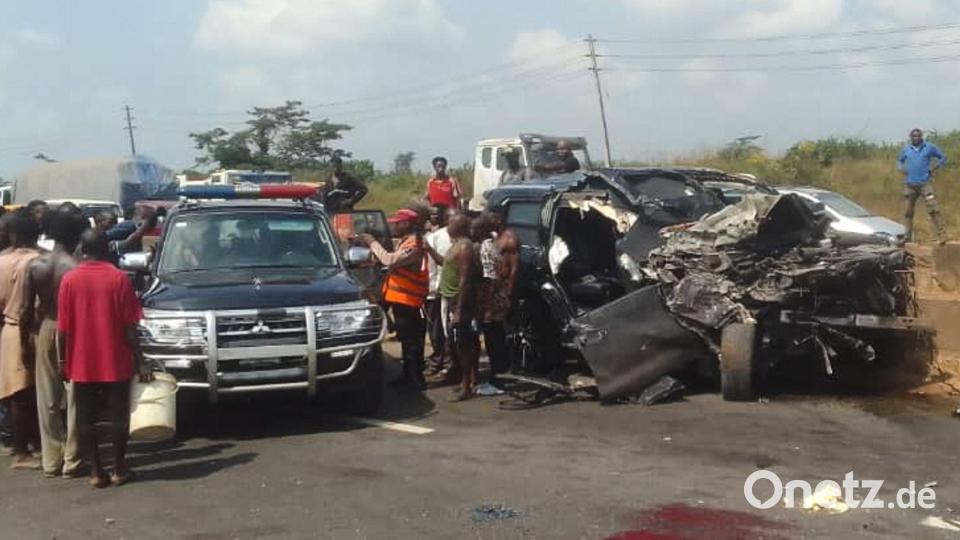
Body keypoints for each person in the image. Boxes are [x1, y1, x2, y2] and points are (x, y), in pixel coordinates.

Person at [58, 230, 148, 488]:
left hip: (81, 359)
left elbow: (63, 328)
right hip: (115, 357)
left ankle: (97, 472)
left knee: (85, 417)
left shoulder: (69, 280)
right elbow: (130, 327)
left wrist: (63, 362)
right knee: (118, 415)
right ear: (107, 248)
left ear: (81, 250)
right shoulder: (119, 279)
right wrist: (140, 357)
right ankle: (119, 469)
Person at [20, 212, 88, 478]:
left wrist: (26, 342)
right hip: (73, 330)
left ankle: (51, 460)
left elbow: (26, 309)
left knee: (46, 397)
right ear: (75, 238)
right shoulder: (77, 267)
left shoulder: (36, 266)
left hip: (45, 327)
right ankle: (73, 459)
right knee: (75, 396)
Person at [356, 208, 429, 390]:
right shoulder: (407, 241)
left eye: (398, 222)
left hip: (410, 301)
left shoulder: (414, 244)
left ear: (408, 224)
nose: (394, 226)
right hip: (402, 299)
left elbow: (390, 260)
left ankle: (415, 380)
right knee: (406, 341)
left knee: (412, 343)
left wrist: (373, 243)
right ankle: (408, 376)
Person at [0, 210, 43, 469]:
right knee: (30, 393)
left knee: (16, 392)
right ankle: (24, 451)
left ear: (12, 235)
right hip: (35, 329)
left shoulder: (2, 261)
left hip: (10, 328)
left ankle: (23, 446)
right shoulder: (41, 261)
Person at [475, 210, 520, 392]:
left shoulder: (509, 238)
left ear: (499, 219)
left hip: (498, 294)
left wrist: (508, 292)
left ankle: (500, 376)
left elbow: (514, 269)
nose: (488, 220)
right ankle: (500, 372)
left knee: (495, 337)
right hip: (496, 293)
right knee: (494, 336)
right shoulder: (494, 239)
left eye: (491, 217)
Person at [437, 213, 480, 401]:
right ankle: (466, 380)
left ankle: (466, 385)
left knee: (463, 343)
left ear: (459, 227)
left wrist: (460, 309)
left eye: (450, 223)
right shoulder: (456, 245)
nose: (447, 226)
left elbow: (465, 280)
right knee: (457, 342)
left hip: (460, 300)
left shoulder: (464, 247)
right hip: (451, 299)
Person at [897, 128, 948, 244]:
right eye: (914, 136)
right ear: (911, 137)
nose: (916, 138)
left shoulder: (929, 147)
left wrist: (934, 167)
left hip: (925, 184)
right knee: (908, 213)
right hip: (910, 185)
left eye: (918, 136)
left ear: (922, 137)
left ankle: (942, 235)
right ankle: (907, 237)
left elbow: (943, 157)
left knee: (933, 209)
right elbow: (899, 161)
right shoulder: (906, 149)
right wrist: (901, 168)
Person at [423, 205, 453, 375]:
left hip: (442, 290)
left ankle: (442, 361)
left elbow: (434, 265)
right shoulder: (436, 237)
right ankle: (441, 360)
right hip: (440, 288)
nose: (433, 217)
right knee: (439, 328)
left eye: (437, 214)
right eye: (431, 214)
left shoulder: (436, 237)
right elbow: (431, 266)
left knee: (441, 328)